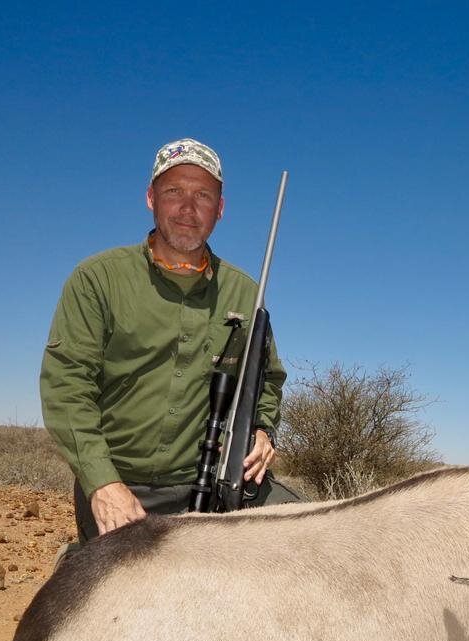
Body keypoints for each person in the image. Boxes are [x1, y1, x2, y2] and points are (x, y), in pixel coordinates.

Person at [41, 137, 300, 547]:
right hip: (121, 486)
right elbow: (67, 387)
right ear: (151, 198)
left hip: (210, 479)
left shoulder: (246, 293)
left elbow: (267, 379)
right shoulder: (97, 278)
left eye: (202, 195)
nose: (187, 207)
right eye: (174, 191)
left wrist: (263, 430)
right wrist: (103, 483)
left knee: (305, 533)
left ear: (220, 209)